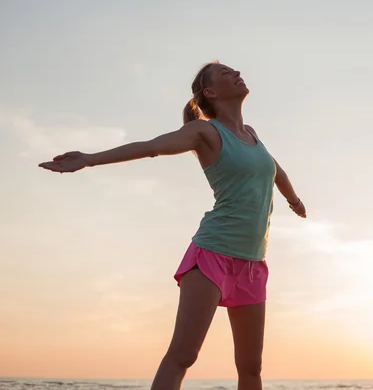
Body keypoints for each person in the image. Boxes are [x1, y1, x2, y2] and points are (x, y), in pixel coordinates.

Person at [39, 61, 306, 390]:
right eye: (225, 73)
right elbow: (151, 147)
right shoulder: (205, 132)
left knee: (251, 367)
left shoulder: (251, 134)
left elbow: (274, 170)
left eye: (234, 70)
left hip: (252, 264)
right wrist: (90, 158)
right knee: (183, 355)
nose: (236, 73)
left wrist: (294, 201)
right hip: (213, 255)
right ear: (210, 92)